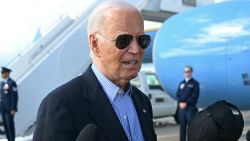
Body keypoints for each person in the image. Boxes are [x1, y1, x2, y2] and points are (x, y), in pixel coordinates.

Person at [33, 1, 156, 141]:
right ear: (95, 44)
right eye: (123, 40)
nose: (136, 50)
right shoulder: (61, 104)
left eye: (142, 40)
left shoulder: (142, 102)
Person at [176, 66, 199, 141]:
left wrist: (186, 103)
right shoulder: (181, 83)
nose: (186, 73)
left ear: (191, 72)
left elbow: (195, 96)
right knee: (182, 127)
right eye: (185, 71)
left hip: (190, 109)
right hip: (182, 110)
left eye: (188, 71)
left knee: (192, 127)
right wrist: (180, 102)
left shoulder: (195, 83)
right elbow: (178, 94)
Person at [0, 67, 18, 141]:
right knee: (6, 126)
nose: (1, 74)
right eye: (1, 73)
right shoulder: (2, 83)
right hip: (3, 109)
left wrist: (13, 108)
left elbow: (14, 96)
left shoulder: (11, 83)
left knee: (10, 126)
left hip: (9, 109)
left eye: (3, 73)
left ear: (7, 73)